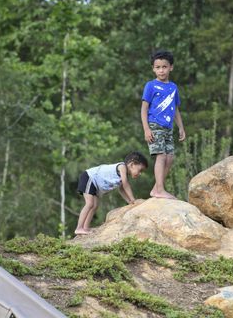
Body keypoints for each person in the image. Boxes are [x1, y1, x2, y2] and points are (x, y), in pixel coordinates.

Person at [141, 50, 186, 199]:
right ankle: (160, 190)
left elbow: (176, 109)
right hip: (154, 125)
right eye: (158, 67)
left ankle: (156, 189)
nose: (161, 70)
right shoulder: (151, 86)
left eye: (164, 67)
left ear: (171, 67)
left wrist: (181, 127)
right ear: (153, 68)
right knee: (161, 156)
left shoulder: (173, 87)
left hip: (168, 128)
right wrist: (146, 129)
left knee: (170, 157)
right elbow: (144, 108)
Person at [74, 152, 148, 235]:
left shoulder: (122, 175)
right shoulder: (122, 167)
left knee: (94, 206)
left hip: (94, 184)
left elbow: (121, 189)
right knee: (89, 204)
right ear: (132, 164)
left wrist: (129, 201)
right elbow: (125, 184)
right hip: (89, 177)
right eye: (140, 170)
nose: (140, 173)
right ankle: (79, 228)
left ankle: (85, 227)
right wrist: (133, 199)